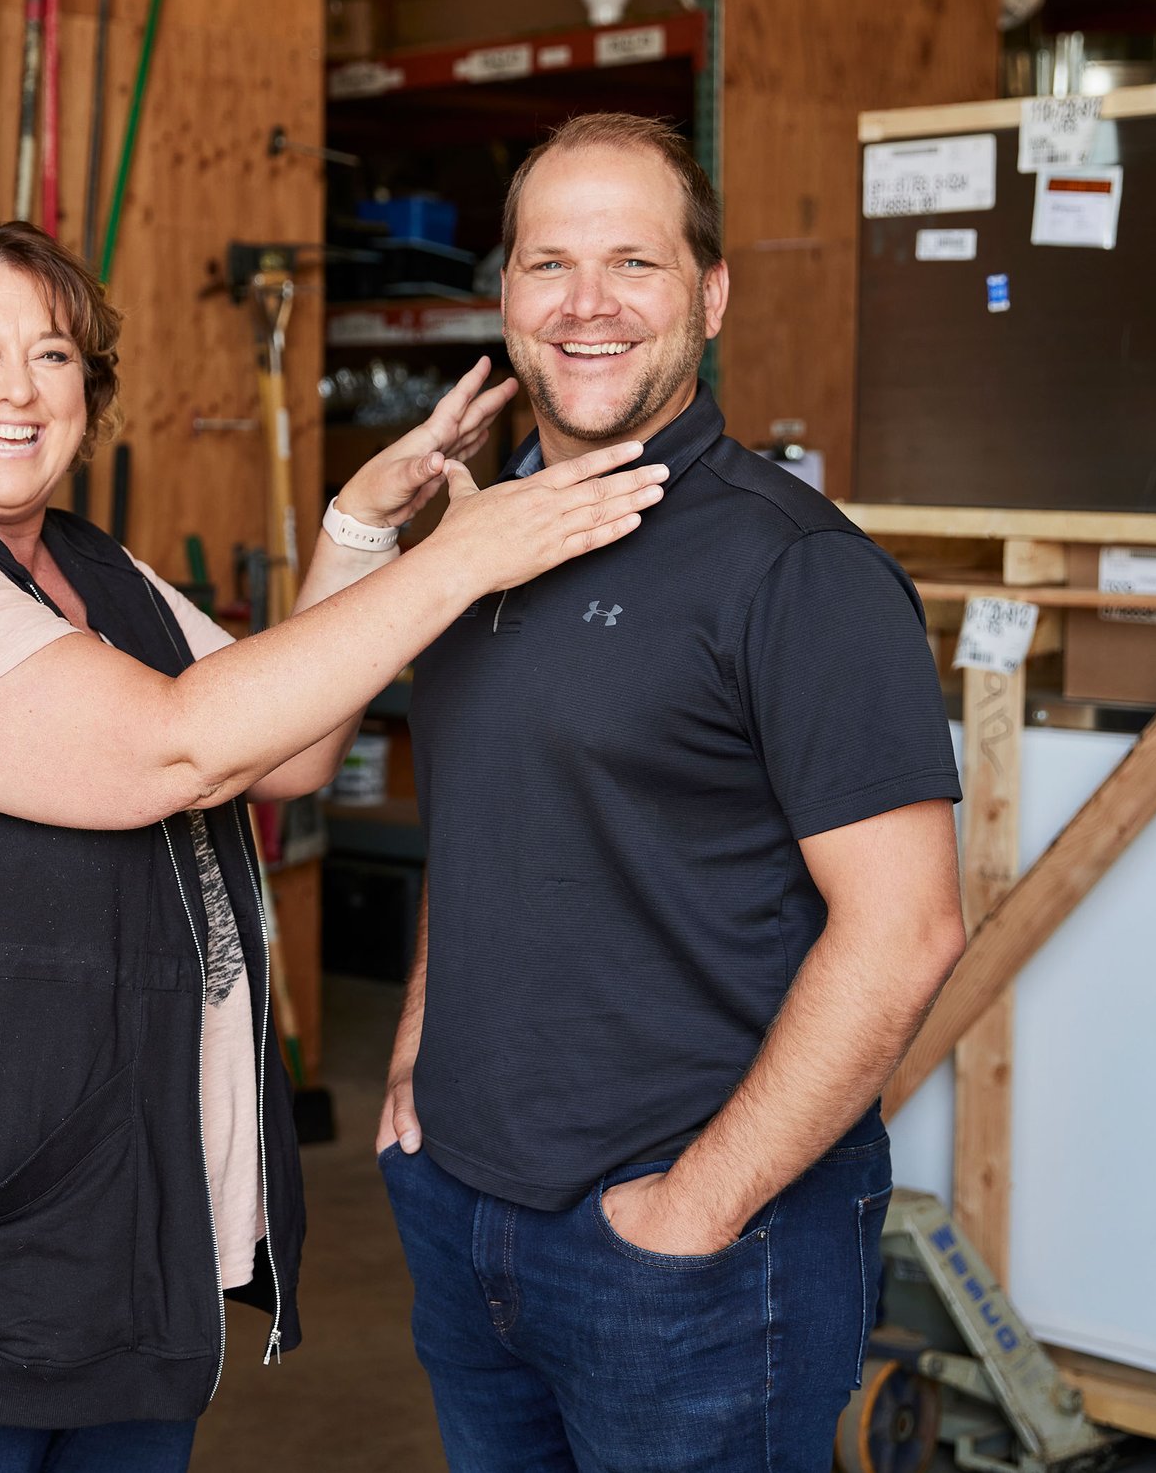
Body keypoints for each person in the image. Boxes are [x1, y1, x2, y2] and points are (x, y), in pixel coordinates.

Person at [0, 218, 668, 1473]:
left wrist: (360, 528)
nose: (18, 388)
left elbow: (277, 748)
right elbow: (170, 750)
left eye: (54, 355)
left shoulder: (88, 568)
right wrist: (464, 561)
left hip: (113, 1223)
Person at [374, 112, 969, 1472]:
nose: (586, 304)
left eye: (632, 263)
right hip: (466, 1210)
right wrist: (420, 1042)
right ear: (506, 296)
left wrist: (697, 1207)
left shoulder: (797, 571)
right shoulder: (477, 545)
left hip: (689, 1254)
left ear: (708, 294)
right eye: (548, 264)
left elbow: (907, 924)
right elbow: (484, 818)